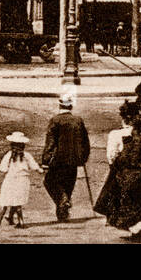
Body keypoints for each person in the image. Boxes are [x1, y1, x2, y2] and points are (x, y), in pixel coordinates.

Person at [95, 101, 141, 235]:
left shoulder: (115, 134)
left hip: (121, 169)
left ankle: (121, 221)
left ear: (123, 118)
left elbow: (111, 156)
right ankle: (139, 222)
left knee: (115, 195)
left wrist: (115, 165)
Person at [42, 92, 91, 222]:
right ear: (71, 107)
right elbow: (86, 141)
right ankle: (63, 214)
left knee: (49, 182)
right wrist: (84, 157)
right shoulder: (78, 120)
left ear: (60, 105)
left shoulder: (55, 121)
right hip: (74, 160)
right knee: (68, 185)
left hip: (58, 159)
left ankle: (63, 201)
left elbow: (50, 142)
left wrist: (45, 160)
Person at [0, 131, 41, 228]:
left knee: (6, 200)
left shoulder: (9, 155)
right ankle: (13, 219)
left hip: (11, 179)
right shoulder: (26, 155)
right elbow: (34, 166)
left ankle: (2, 222)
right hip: (23, 180)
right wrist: (40, 170)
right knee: (18, 200)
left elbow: (3, 168)